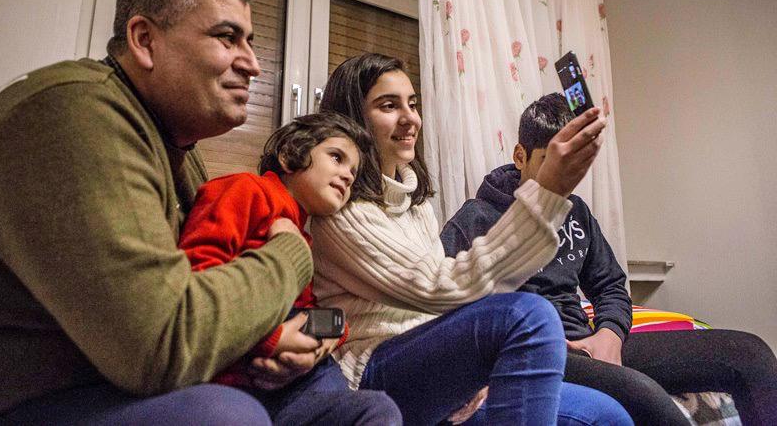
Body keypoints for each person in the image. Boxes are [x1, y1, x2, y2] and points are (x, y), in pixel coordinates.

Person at [0, 0, 399, 425]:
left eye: (250, 41)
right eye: (227, 37)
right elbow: (163, 343)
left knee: (368, 413)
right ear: (144, 39)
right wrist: (289, 255)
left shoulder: (180, 149)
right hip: (38, 399)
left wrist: (312, 338)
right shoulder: (73, 112)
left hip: (153, 384)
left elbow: (224, 307)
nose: (253, 63)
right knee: (226, 415)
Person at [310, 53, 633, 425]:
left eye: (412, 104)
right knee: (530, 314)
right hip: (374, 369)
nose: (410, 118)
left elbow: (441, 312)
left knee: (609, 417)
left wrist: (469, 368)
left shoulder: (415, 206)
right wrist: (548, 195)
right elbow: (439, 288)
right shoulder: (340, 210)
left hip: (429, 356)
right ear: (354, 118)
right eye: (388, 105)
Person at [441, 92, 777, 425]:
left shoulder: (576, 211)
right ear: (520, 156)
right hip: (538, 352)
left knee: (749, 353)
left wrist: (610, 335)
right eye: (550, 160)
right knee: (642, 394)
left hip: (592, 343)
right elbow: (442, 316)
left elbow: (611, 286)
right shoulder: (475, 219)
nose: (563, 174)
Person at [179, 112, 381, 422]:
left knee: (377, 407)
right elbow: (196, 281)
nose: (348, 176)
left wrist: (329, 336)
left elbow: (308, 310)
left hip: (290, 382)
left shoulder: (300, 235)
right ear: (290, 154)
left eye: (353, 171)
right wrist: (270, 339)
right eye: (336, 157)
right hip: (234, 377)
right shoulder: (246, 189)